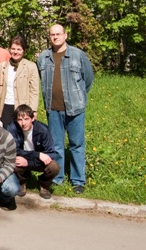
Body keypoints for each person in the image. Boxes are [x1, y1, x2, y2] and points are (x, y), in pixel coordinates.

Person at [37, 23, 94, 194]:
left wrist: (80, 97)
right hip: (53, 109)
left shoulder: (77, 55)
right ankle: (58, 178)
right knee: (56, 145)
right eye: (52, 34)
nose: (55, 37)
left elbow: (88, 79)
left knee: (77, 144)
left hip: (75, 109)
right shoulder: (44, 57)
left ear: (65, 35)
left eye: (58, 34)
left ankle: (78, 180)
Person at [6, 104, 59, 199]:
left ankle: (44, 184)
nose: (23, 123)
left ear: (33, 118)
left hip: (38, 161)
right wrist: (37, 155)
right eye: (20, 120)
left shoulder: (43, 130)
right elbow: (14, 150)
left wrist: (30, 162)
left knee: (54, 166)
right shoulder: (12, 128)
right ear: (16, 120)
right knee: (14, 161)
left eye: (26, 119)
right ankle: (22, 182)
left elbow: (52, 153)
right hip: (25, 158)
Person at [0, 36, 39, 128]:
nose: (15, 52)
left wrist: (33, 110)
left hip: (23, 107)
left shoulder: (31, 66)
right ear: (9, 49)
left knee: (21, 135)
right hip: (5, 106)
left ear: (24, 51)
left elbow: (34, 90)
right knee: (6, 134)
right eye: (13, 49)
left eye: (19, 49)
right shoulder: (1, 67)